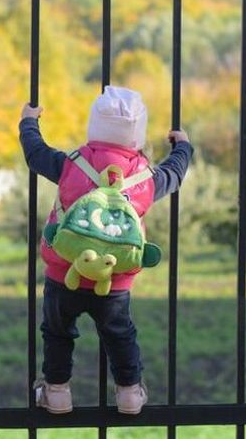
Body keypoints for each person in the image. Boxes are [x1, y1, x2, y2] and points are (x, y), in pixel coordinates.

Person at [20, 85, 191, 415]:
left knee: (57, 332)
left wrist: (29, 121)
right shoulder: (144, 178)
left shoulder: (71, 164)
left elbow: (35, 152)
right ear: (136, 136)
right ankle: (129, 393)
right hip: (115, 280)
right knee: (120, 335)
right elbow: (175, 173)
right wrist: (182, 146)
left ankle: (57, 393)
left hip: (64, 272)